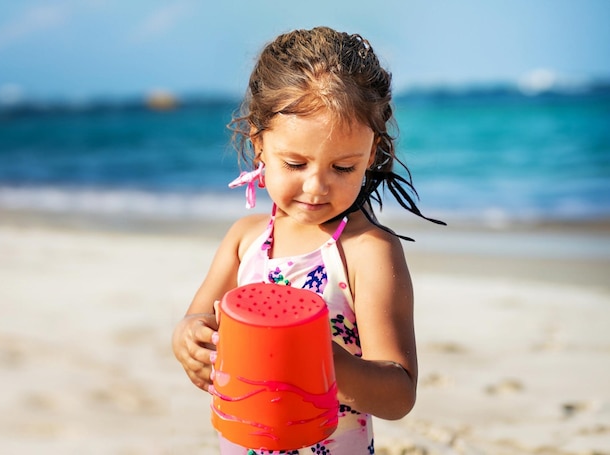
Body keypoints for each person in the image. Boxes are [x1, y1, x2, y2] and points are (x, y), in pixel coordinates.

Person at [172, 26, 444, 454]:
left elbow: (398, 394)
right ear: (259, 144)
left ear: (371, 155)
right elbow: (198, 321)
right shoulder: (245, 240)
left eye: (343, 168)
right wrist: (188, 339)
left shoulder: (366, 252)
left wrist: (323, 362)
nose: (316, 187)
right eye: (296, 163)